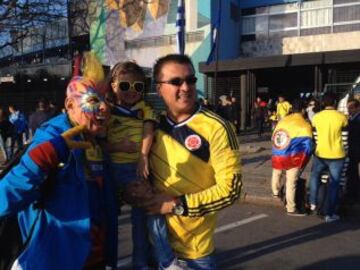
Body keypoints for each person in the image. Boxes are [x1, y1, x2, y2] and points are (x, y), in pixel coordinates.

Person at [0, 53, 118, 269]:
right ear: (70, 105)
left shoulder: (95, 142)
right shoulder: (52, 137)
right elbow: (3, 199)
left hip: (95, 260)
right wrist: (43, 157)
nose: (104, 107)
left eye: (108, 99)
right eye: (93, 100)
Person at [140, 54, 242, 269]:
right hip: (154, 245)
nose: (185, 87)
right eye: (176, 81)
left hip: (194, 255)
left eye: (191, 80)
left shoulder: (217, 127)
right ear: (159, 88)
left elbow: (231, 190)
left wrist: (176, 206)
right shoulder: (151, 126)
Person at [103, 61, 157, 269]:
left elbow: (148, 131)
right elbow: (100, 145)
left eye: (138, 87)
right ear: (113, 86)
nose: (131, 91)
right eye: (125, 86)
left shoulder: (145, 109)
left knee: (140, 221)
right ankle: (108, 262)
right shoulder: (105, 111)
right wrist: (118, 146)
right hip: (112, 171)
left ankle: (141, 262)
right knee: (110, 220)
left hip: (137, 170)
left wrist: (143, 156)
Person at [309, 93, 348, 223]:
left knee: (315, 176)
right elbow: (345, 139)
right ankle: (330, 214)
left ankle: (313, 202)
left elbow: (315, 137)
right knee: (334, 184)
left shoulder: (316, 117)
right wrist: (346, 153)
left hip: (320, 154)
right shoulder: (342, 117)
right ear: (335, 103)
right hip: (337, 155)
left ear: (323, 103)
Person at [271, 100, 313, 216]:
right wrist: (304, 161)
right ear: (303, 110)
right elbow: (308, 146)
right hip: (293, 156)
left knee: (277, 171)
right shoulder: (304, 124)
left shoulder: (282, 121)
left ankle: (275, 192)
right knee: (291, 182)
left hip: (279, 152)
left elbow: (274, 136)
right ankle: (291, 208)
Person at [346, 99, 360, 203]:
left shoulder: (357, 119)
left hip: (356, 149)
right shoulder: (352, 118)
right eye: (348, 108)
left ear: (357, 108)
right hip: (353, 149)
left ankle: (354, 195)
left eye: (351, 108)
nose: (348, 110)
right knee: (352, 172)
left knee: (354, 172)